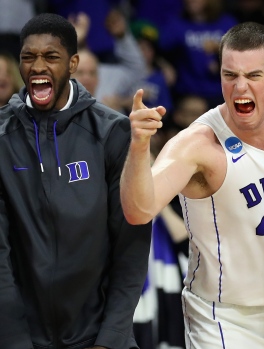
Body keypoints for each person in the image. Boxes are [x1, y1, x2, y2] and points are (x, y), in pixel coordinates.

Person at [120, 21, 264, 348]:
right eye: (230, 76)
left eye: (253, 76)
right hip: (225, 318)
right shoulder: (197, 145)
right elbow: (137, 211)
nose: (240, 87)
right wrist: (139, 147)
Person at [0, 13, 152, 349]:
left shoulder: (112, 132)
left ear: (72, 63)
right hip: (21, 336)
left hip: (97, 334)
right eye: (28, 57)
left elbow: (132, 246)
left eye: (50, 57)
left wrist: (110, 339)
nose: (38, 66)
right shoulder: (2, 138)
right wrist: (13, 340)